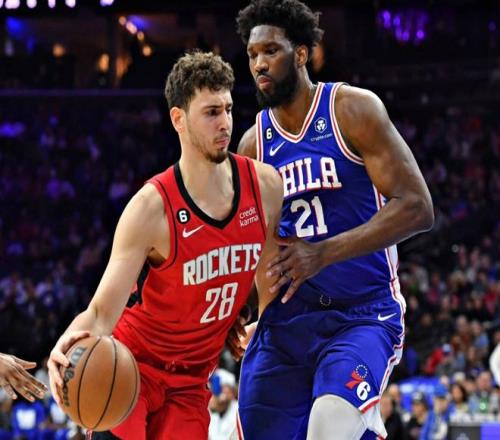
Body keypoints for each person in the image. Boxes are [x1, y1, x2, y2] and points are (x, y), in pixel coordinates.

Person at [47, 51, 283, 440]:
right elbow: (102, 312)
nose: (225, 123)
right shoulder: (151, 208)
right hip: (132, 368)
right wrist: (64, 348)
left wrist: (256, 318)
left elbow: (270, 276)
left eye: (228, 109)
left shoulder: (266, 187)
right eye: (211, 112)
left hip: (192, 382)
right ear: (178, 119)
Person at [235, 0, 434, 438]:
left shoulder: (351, 110)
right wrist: (236, 310)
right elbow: (253, 248)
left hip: (361, 313)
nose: (259, 64)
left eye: (271, 51)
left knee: (329, 425)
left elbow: (418, 206)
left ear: (301, 54)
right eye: (252, 55)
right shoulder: (253, 146)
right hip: (288, 323)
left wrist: (322, 253)